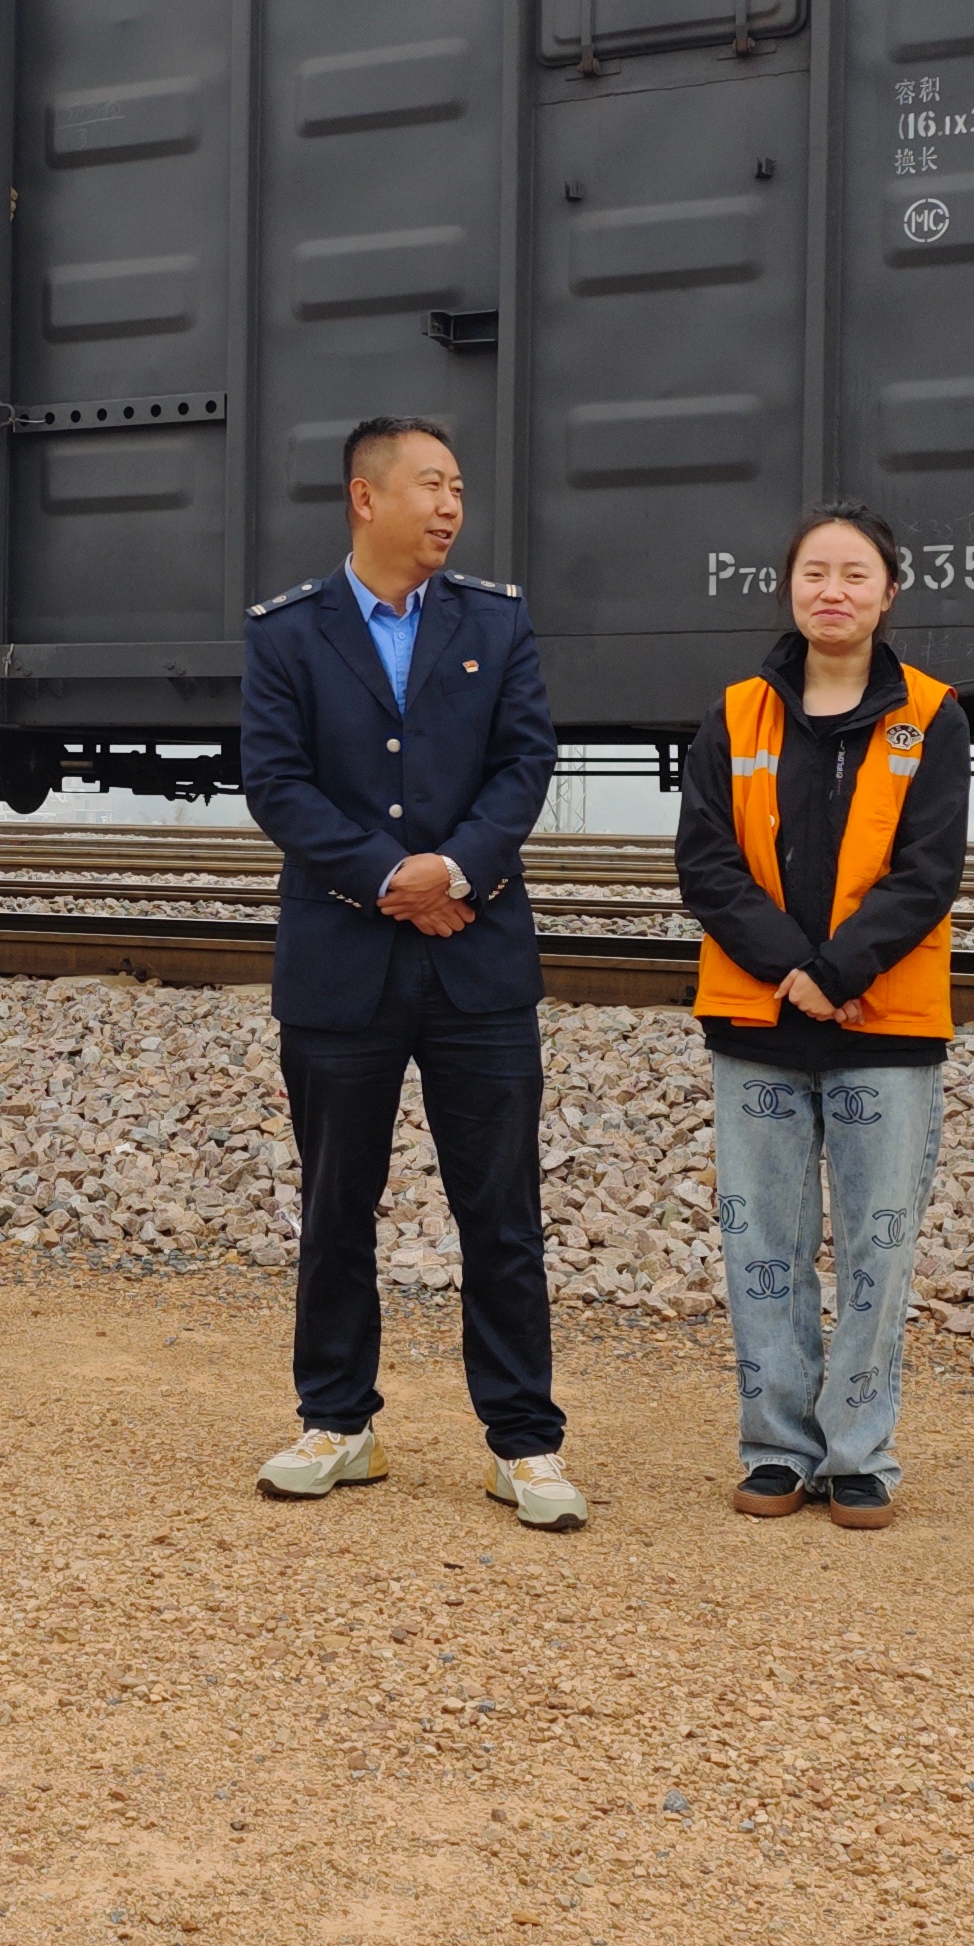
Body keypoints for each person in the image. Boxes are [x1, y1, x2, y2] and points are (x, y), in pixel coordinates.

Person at [242, 416, 582, 1529]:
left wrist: (456, 872)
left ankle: (523, 1444)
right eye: (431, 485)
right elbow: (278, 788)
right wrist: (392, 878)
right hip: (343, 966)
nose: (450, 506)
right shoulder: (289, 635)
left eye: (458, 488)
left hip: (476, 965)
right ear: (364, 497)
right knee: (337, 1202)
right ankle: (337, 1422)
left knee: (502, 1210)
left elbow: (525, 762)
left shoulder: (496, 620)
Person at [674, 501, 968, 1531]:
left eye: (853, 574)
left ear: (889, 592)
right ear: (789, 588)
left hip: (884, 1027)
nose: (831, 591)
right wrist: (790, 971)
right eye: (813, 573)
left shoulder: (931, 715)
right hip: (757, 1024)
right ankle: (775, 1449)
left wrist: (834, 972)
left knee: (876, 1255)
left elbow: (928, 871)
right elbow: (704, 864)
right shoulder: (736, 713)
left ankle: (858, 1455)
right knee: (763, 1245)